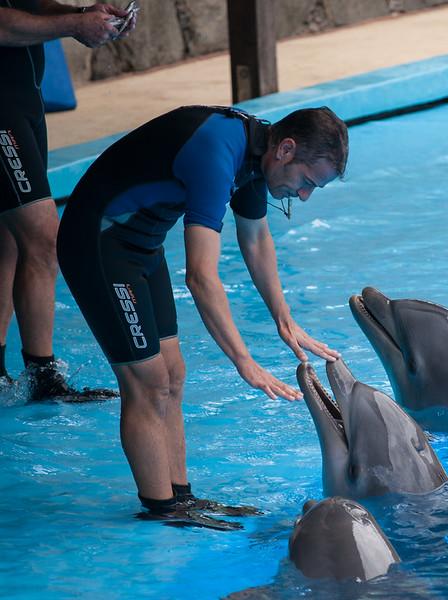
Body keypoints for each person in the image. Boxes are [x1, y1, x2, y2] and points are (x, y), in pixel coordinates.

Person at [57, 105, 348, 528]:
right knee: (148, 381)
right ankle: (161, 510)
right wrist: (244, 361)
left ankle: (181, 498)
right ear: (286, 149)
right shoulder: (217, 152)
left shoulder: (258, 156)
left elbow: (256, 238)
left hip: (141, 244)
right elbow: (201, 277)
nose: (304, 196)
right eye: (307, 182)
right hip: (98, 243)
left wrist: (283, 318)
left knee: (172, 372)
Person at [0, 1, 135, 399]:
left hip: (23, 101)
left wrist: (83, 14)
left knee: (9, 239)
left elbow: (23, 4)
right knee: (42, 238)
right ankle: (42, 377)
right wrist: (76, 23)